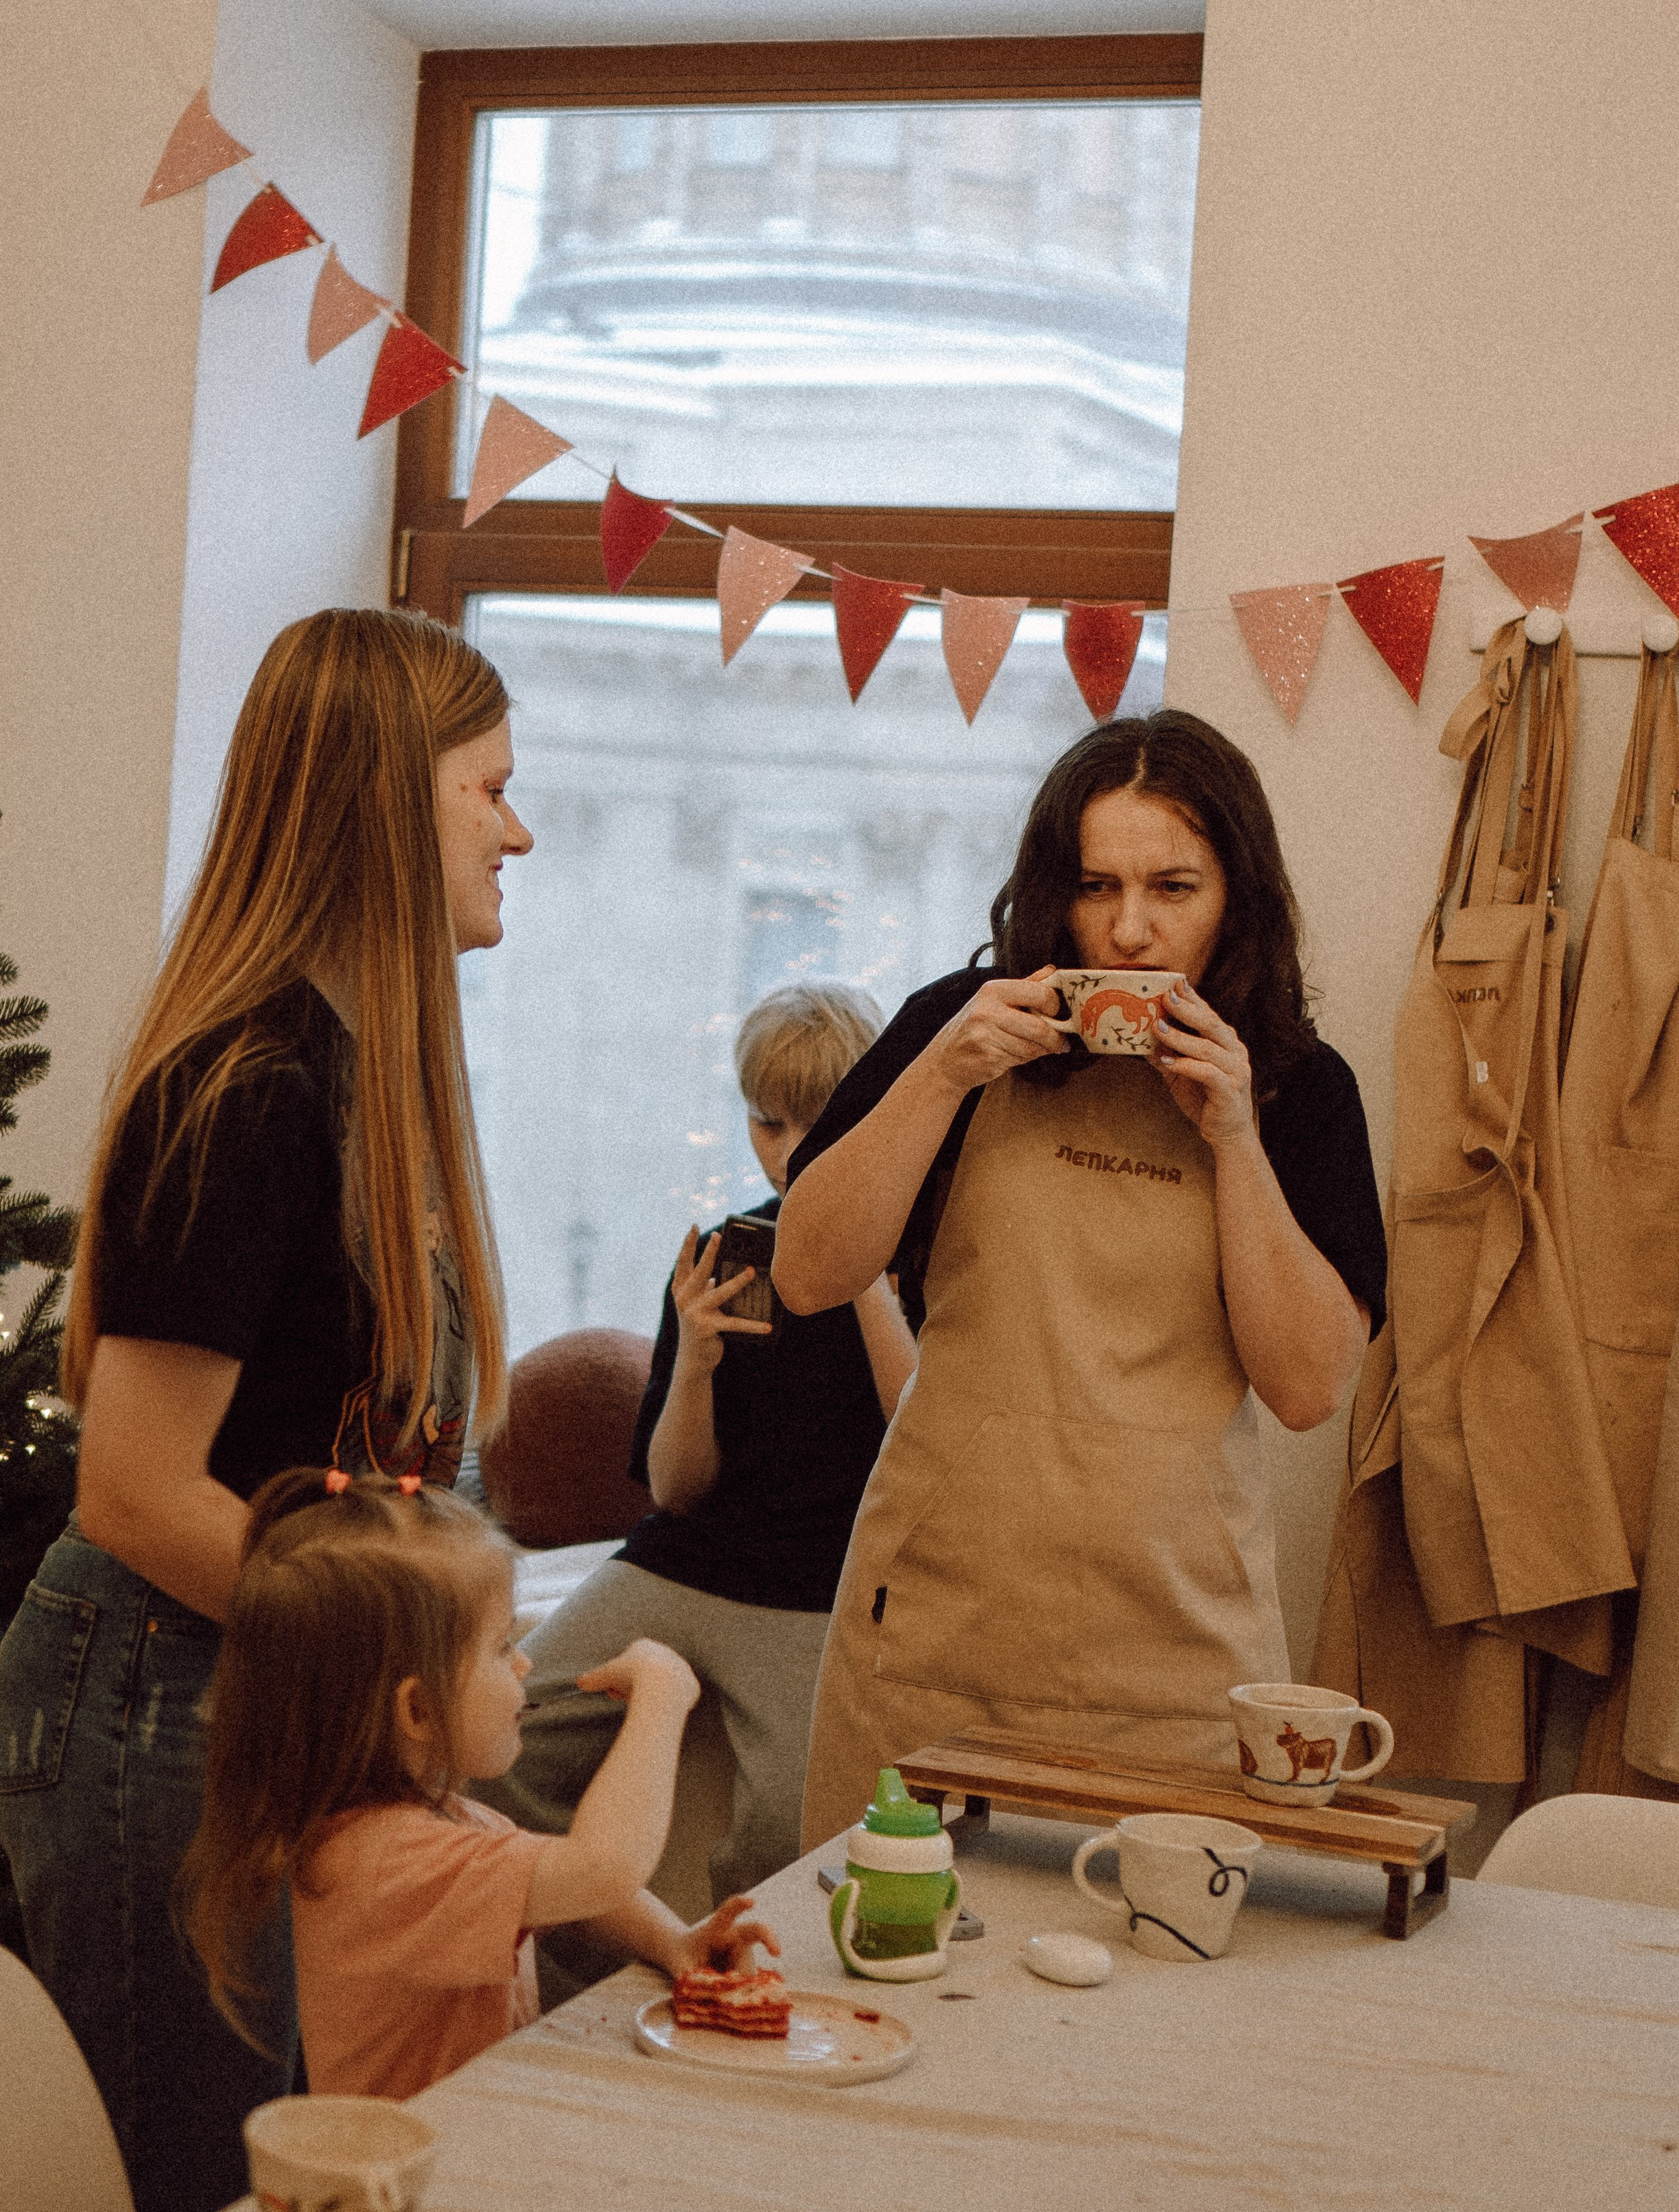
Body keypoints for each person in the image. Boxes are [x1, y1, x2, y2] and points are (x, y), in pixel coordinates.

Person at [0, 608, 530, 2212]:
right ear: (381, 797)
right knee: (205, 2177)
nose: (519, 825)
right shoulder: (247, 1087)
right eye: (486, 787)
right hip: (158, 1705)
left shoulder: (371, 1076)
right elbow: (139, 1491)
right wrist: (389, 1672)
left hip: (256, 1705)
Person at [774, 711, 1389, 1848]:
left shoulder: (1300, 1090)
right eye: (1097, 887)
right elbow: (809, 1273)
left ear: (1236, 900)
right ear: (1052, 892)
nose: (1130, 931)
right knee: (892, 1956)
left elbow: (1309, 1388)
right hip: (932, 1635)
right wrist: (944, 1073)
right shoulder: (951, 1032)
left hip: (1178, 1656)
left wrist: (1236, 1137)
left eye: (1174, 888)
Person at [484, 984, 915, 1941]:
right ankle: (599, 1985)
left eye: (819, 1120)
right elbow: (676, 1489)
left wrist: (868, 1284)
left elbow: (920, 1448)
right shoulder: (728, 1249)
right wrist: (695, 1360)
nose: (789, 1148)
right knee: (499, 1752)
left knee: (794, 1833)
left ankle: (730, 1992)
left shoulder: (917, 1248)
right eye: (768, 1122)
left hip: (817, 1589)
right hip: (685, 1561)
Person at [181, 1467, 778, 2099]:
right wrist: (662, 1697)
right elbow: (602, 1868)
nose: (524, 1662)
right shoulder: (391, 1862)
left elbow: (571, 1891)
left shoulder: (427, 1821)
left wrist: (675, 1944)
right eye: (500, 1648)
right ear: (417, 1712)